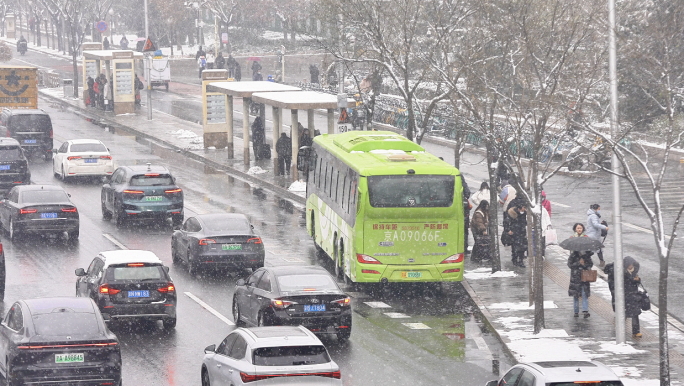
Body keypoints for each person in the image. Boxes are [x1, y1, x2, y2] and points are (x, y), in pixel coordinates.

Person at [605, 256, 643, 337]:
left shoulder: (633, 271)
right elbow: (622, 284)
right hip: (624, 297)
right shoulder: (620, 273)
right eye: (629, 265)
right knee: (624, 314)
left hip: (633, 296)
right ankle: (619, 329)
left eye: (632, 264)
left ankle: (636, 332)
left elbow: (634, 282)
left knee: (635, 314)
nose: (631, 266)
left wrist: (638, 280)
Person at [567, 244, 594, 318]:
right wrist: (579, 263)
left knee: (584, 293)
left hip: (584, 278)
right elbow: (570, 265)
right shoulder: (573, 255)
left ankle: (585, 310)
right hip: (575, 278)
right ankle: (576, 311)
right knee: (576, 295)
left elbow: (590, 264)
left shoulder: (587, 256)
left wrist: (584, 264)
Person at [503, 197, 527, 267]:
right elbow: (506, 222)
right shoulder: (512, 214)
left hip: (522, 232)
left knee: (523, 247)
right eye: (523, 207)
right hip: (514, 233)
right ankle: (515, 259)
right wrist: (508, 230)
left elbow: (525, 222)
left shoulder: (524, 213)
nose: (524, 209)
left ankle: (521, 260)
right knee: (515, 247)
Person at [461, 175, 472, 254]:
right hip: (464, 213)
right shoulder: (463, 184)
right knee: (465, 231)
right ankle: (464, 247)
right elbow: (467, 193)